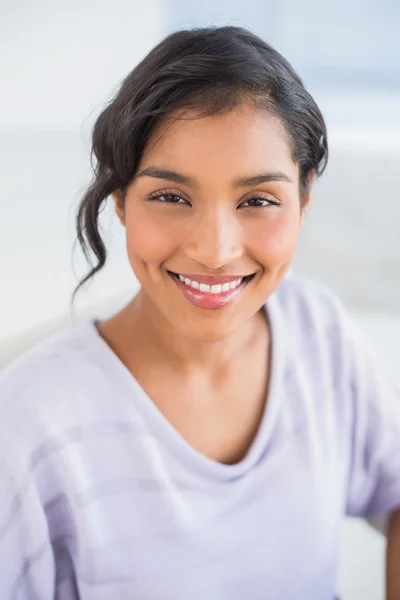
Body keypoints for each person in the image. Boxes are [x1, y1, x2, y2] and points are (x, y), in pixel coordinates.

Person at [0, 25, 399, 600]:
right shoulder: (29, 431)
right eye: (170, 196)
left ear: (304, 200)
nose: (214, 250)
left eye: (258, 200)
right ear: (119, 200)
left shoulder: (320, 334)